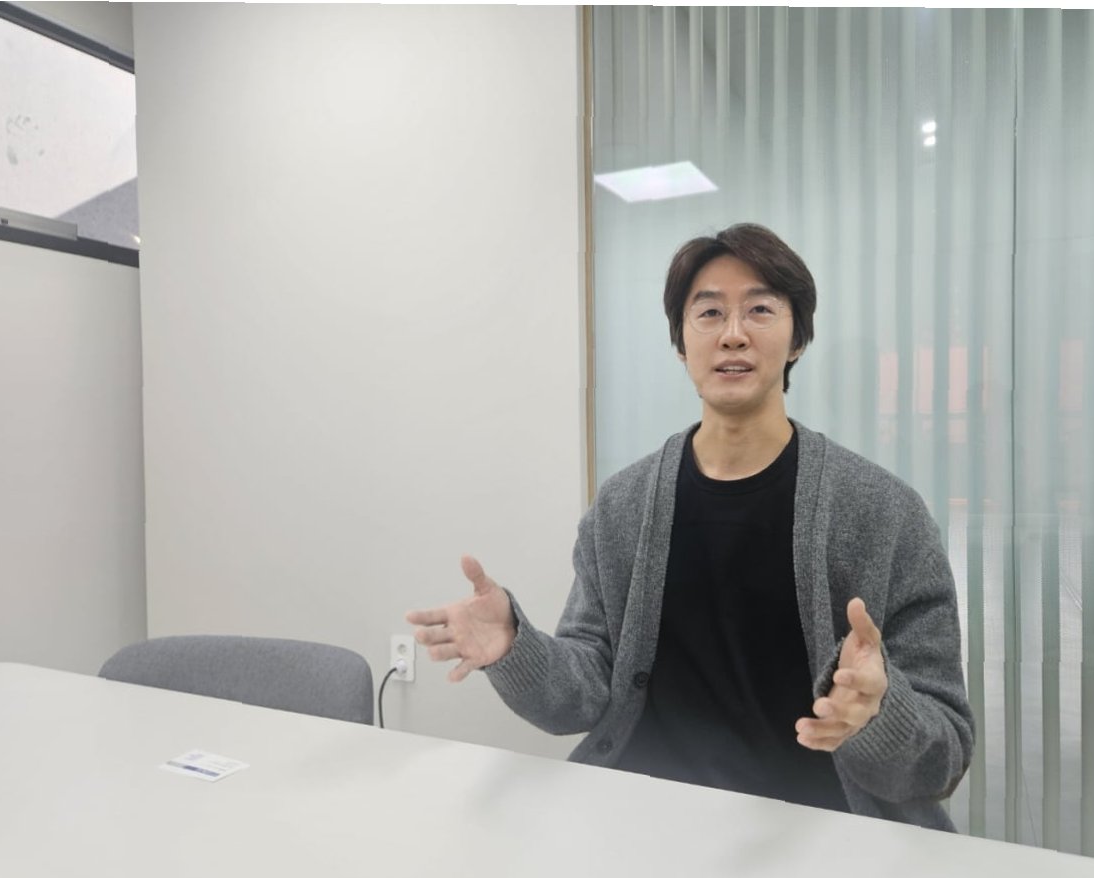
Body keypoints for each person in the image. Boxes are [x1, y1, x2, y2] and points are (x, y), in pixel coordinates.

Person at [405, 223, 974, 831]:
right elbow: (586, 693)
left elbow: (943, 758)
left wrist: (879, 713)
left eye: (760, 309)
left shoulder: (884, 513)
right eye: (709, 313)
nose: (733, 334)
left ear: (798, 338)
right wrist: (516, 648)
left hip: (822, 834)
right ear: (681, 342)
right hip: (645, 820)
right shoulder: (621, 508)